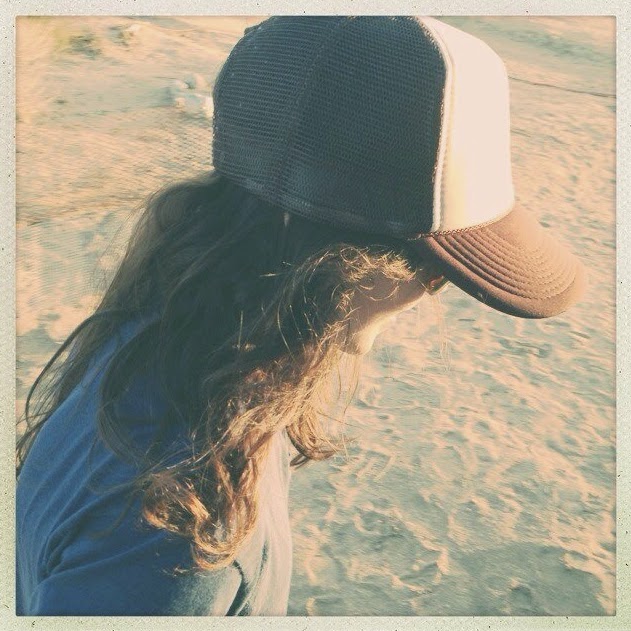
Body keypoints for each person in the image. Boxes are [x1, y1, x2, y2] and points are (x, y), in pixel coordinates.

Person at [16, 16, 586, 616]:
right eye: (428, 262)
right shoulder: (181, 531)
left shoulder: (165, 336)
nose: (435, 288)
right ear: (321, 253)